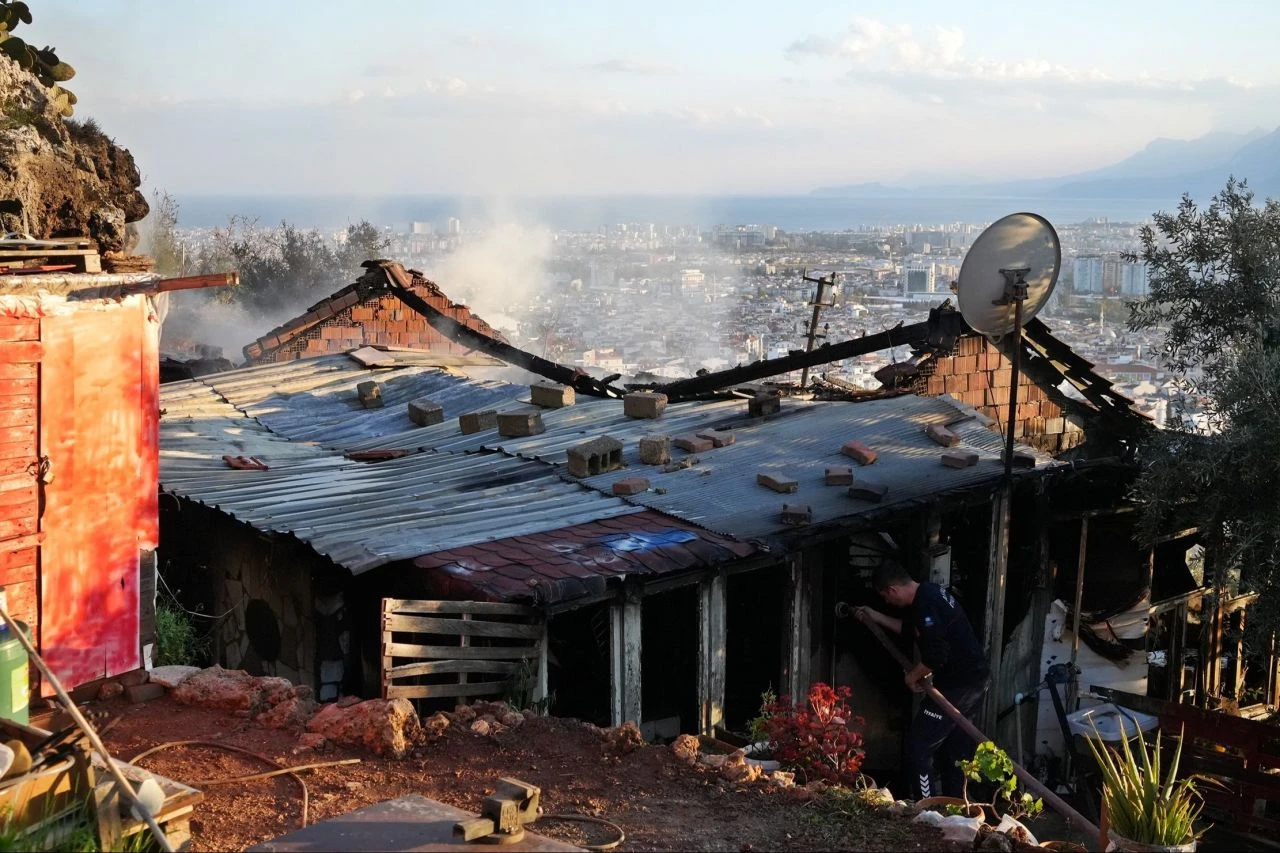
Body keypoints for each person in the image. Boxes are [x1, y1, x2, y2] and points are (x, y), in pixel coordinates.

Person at [855, 562, 990, 801]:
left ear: (893, 590)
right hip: (972, 682)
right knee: (955, 751)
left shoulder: (925, 604)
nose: (887, 603)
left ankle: (926, 808)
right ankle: (956, 811)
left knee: (918, 749)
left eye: (885, 597)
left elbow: (937, 655)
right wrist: (875, 616)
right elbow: (914, 631)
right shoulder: (929, 592)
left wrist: (913, 676)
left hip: (959, 687)